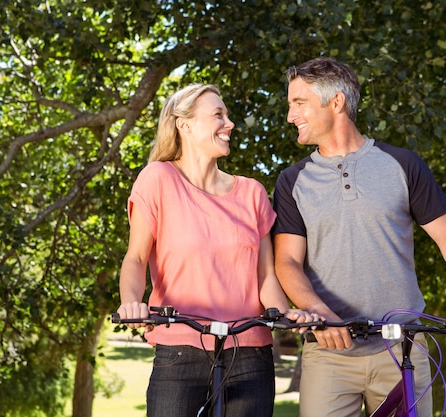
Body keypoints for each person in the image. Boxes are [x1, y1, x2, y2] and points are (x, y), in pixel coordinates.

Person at [271, 57, 446, 417]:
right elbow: (287, 261)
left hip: (404, 349)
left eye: (298, 103)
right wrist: (319, 312)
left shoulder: (402, 164)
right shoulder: (292, 181)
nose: (290, 116)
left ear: (336, 102)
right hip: (328, 352)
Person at [116, 83, 308, 417]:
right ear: (184, 124)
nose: (229, 123)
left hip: (249, 353)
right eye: (218, 114)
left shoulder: (252, 192)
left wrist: (284, 313)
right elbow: (135, 258)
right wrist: (131, 302)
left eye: (227, 114)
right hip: (179, 351)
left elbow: (265, 275)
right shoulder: (158, 179)